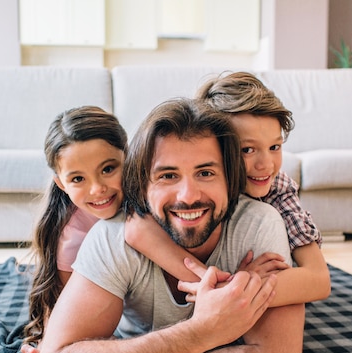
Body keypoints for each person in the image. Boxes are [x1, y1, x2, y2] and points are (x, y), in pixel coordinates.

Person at [21, 98, 305, 353]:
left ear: (231, 178)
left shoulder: (259, 225)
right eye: (168, 175)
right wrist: (202, 333)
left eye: (206, 173)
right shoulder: (111, 235)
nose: (188, 196)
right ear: (142, 183)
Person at [126, 71, 330, 306]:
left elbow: (318, 278)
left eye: (275, 147)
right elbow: (136, 231)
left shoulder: (277, 188)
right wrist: (222, 288)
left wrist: (229, 289)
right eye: (247, 150)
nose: (266, 165)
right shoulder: (186, 191)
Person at [23, 106, 129, 345]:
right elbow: (66, 306)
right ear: (61, 184)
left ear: (128, 157)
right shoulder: (72, 237)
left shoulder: (151, 196)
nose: (97, 188)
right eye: (78, 179)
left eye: (108, 169)